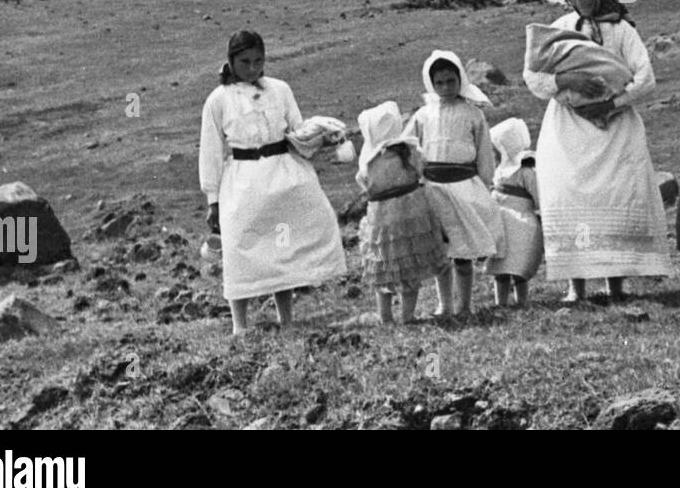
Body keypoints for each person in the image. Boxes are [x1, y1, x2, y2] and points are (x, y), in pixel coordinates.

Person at [523, 0, 671, 303]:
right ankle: (575, 288)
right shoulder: (558, 29)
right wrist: (564, 81)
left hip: (615, 129)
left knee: (612, 199)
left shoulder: (621, 30)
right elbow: (532, 76)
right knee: (568, 198)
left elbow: (645, 78)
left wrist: (611, 104)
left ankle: (615, 285)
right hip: (568, 129)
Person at [198, 30, 347, 335]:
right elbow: (211, 149)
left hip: (283, 176)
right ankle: (240, 326)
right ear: (231, 61)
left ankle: (287, 320)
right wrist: (212, 197)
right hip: (243, 181)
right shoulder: (219, 99)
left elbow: (297, 129)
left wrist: (321, 131)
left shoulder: (280, 90)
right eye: (244, 62)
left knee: (283, 247)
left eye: (258, 61)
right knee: (240, 248)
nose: (252, 68)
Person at [405, 50, 504, 316]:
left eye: (450, 81)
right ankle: (444, 304)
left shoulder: (473, 114)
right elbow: (410, 147)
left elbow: (484, 151)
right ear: (430, 83)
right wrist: (414, 179)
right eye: (439, 82)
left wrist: (484, 183)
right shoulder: (423, 115)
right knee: (441, 251)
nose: (445, 87)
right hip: (433, 187)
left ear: (460, 79)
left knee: (462, 252)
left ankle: (464, 305)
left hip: (464, 186)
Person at [355, 101, 449, 324]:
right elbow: (421, 170)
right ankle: (407, 315)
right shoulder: (410, 154)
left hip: (381, 220)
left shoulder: (368, 162)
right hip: (411, 215)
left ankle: (385, 316)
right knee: (410, 266)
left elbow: (363, 184)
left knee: (383, 266)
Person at [483, 117, 543, 308]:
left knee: (518, 265)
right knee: (501, 266)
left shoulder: (526, 171)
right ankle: (500, 302)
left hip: (521, 223)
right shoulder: (500, 170)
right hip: (501, 223)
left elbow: (538, 195)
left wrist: (540, 212)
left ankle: (521, 301)